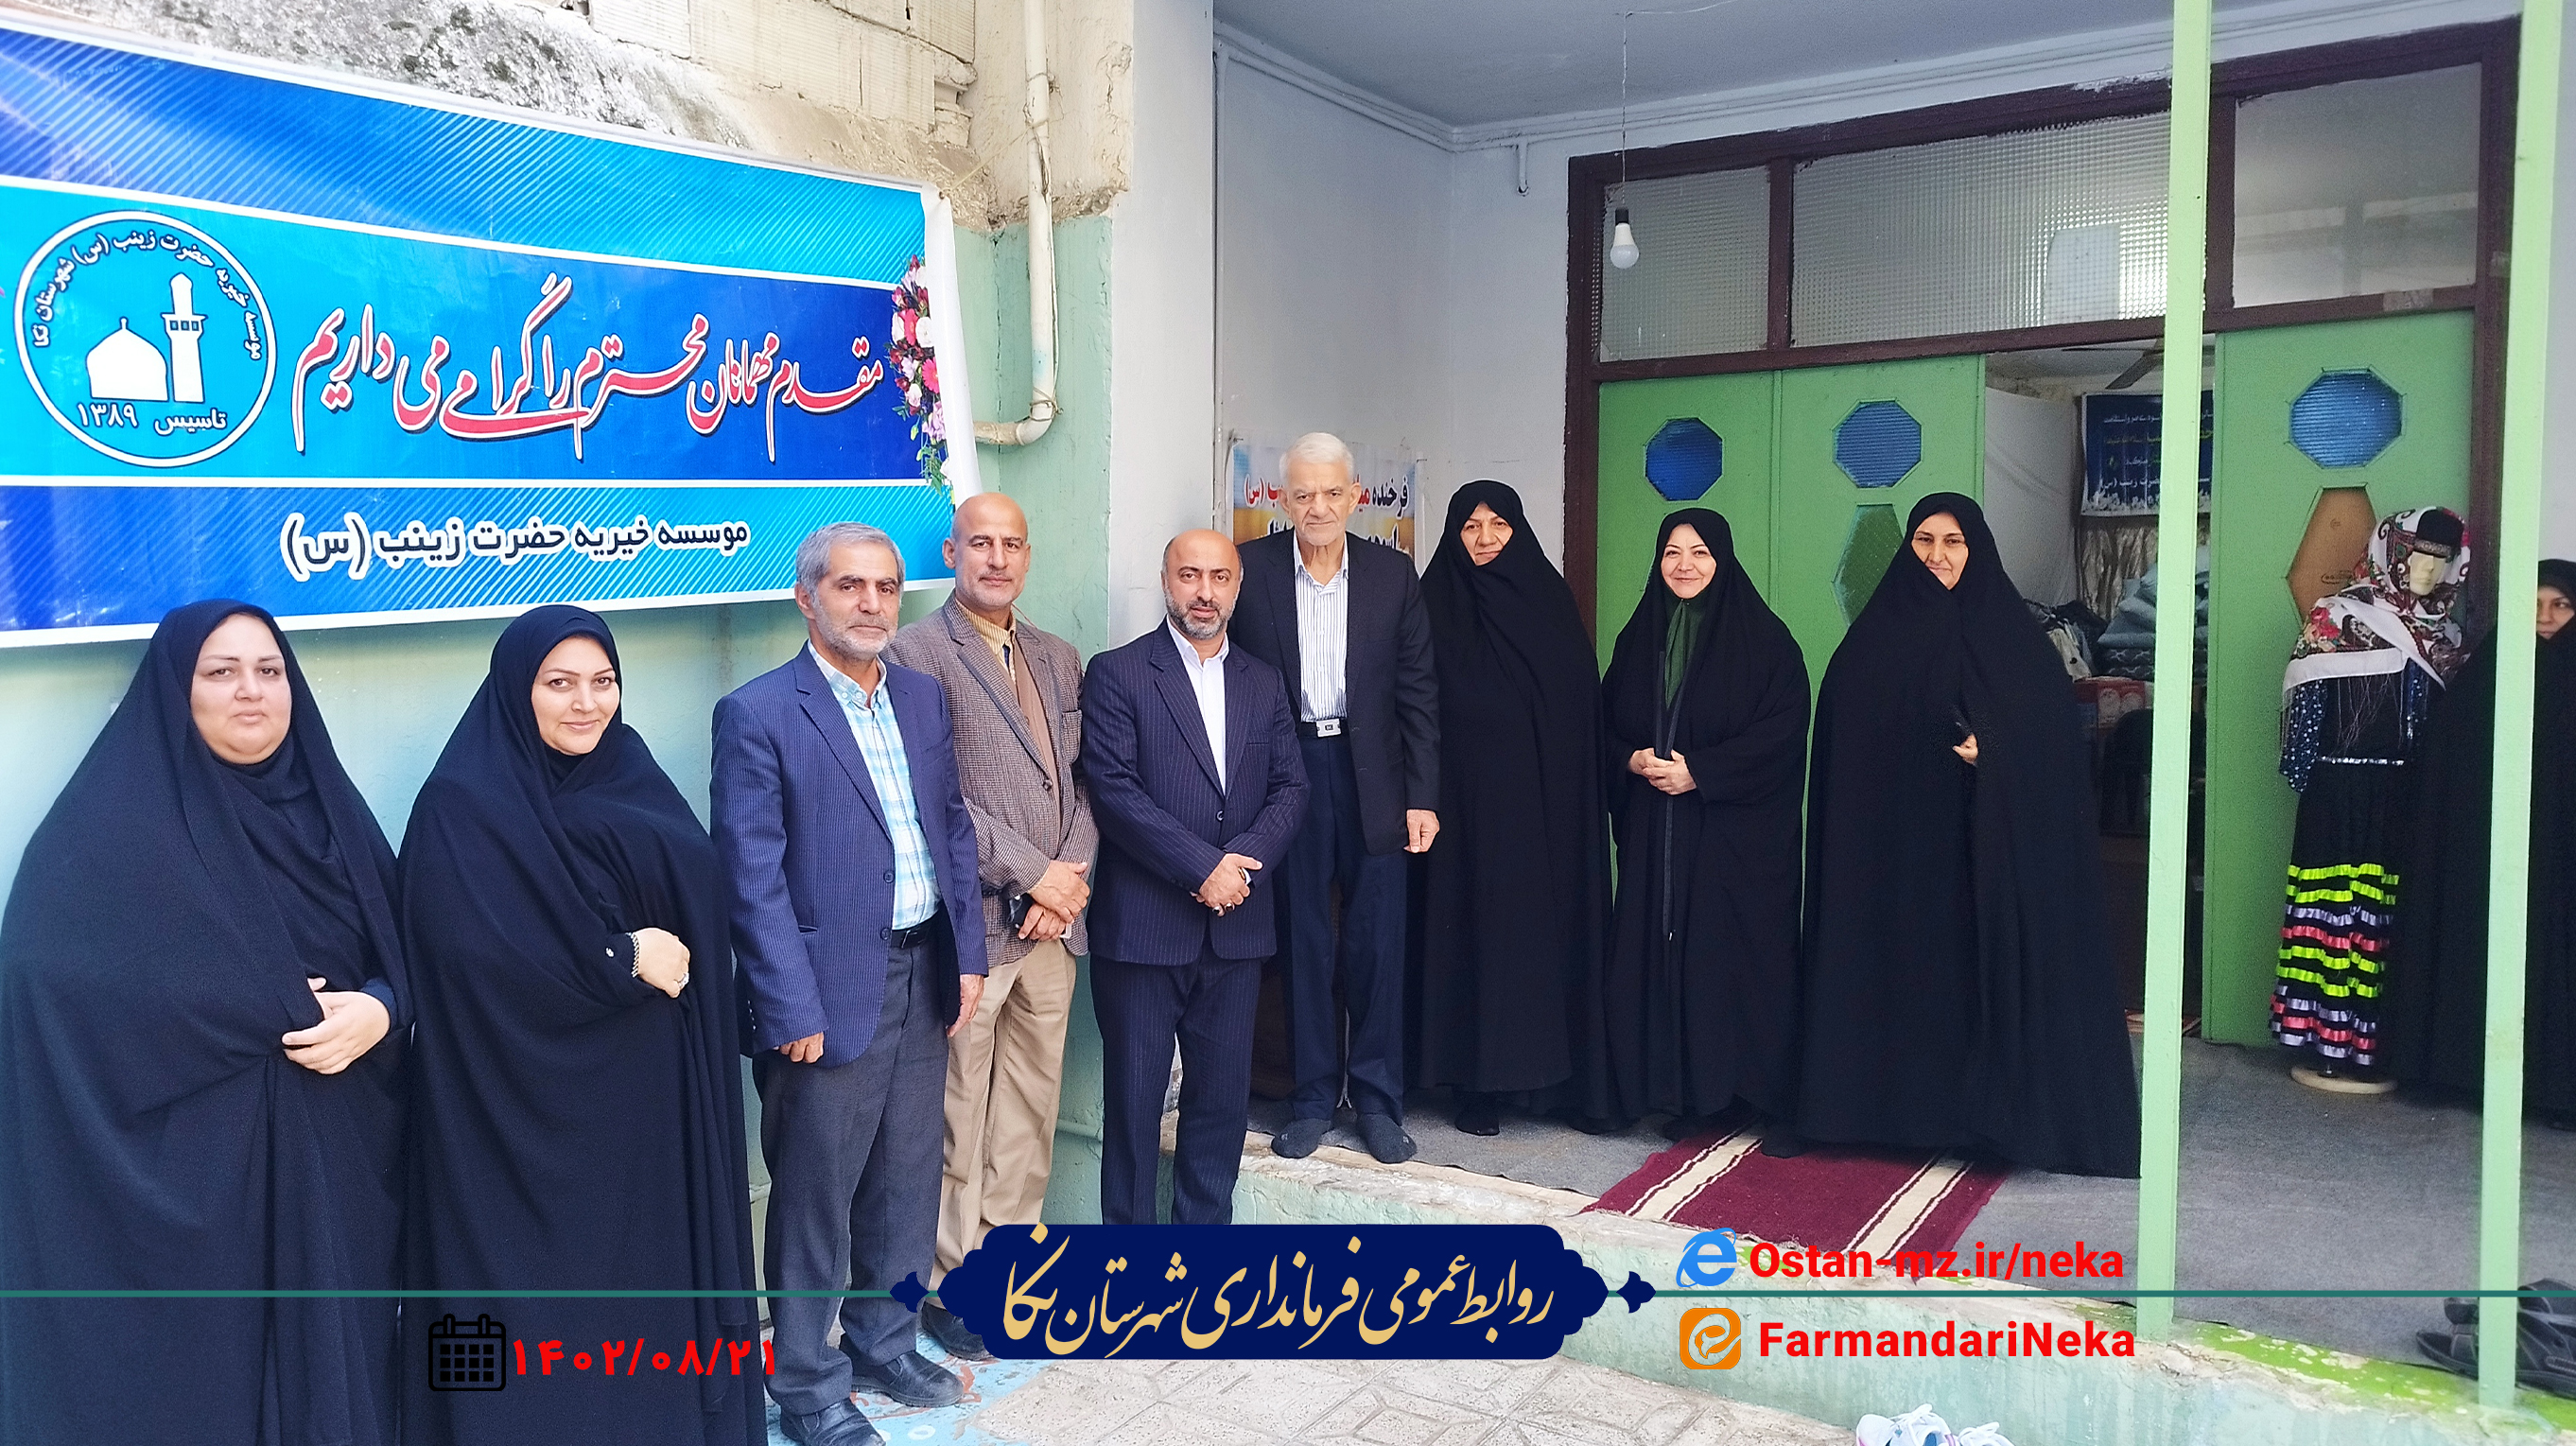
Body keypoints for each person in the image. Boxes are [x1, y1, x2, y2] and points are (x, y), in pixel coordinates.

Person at [0, 601, 405, 1446]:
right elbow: (46, 983)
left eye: (270, 670)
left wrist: (382, 1008)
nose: (251, 690)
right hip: (202, 1190)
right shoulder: (109, 829)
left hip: (338, 1169)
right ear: (176, 690)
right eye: (220, 672)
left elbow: (406, 949)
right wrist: (252, 1004)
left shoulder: (333, 813)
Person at [399, 604, 762, 1446]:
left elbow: (700, 899)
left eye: (603, 681)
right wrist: (618, 955)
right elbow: (463, 954)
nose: (586, 703)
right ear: (515, 690)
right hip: (512, 1121)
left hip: (642, 1123)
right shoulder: (463, 804)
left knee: (638, 1301)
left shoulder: (632, 774)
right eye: (559, 683)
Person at [715, 522, 987, 1446]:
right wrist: (788, 1002)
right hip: (822, 992)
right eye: (849, 586)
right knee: (814, 1197)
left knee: (906, 1177)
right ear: (807, 597)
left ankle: (883, 1340)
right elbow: (750, 875)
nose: (871, 603)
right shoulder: (759, 712)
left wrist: (969, 954)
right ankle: (805, 1384)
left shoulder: (919, 695)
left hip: (921, 969)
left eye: (885, 586)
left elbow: (951, 829)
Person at [1794, 494, 2140, 1177]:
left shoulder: (2015, 641)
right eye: (1924, 540)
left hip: (1984, 852)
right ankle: (1885, 1116)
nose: (1938, 555)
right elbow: (1844, 743)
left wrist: (1999, 751)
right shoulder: (1869, 644)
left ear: (1976, 549)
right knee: (1902, 976)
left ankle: (1982, 1119)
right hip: (1895, 858)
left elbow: (2054, 745)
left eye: (1953, 541)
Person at [884, 493, 1097, 1361]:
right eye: (981, 543)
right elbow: (935, 798)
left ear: (1028, 554)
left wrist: (1067, 880)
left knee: (1029, 1111)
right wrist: (1032, 872)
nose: (998, 558)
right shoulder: (913, 653)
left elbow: (1083, 784)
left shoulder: (1057, 655)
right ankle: (951, 1283)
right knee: (959, 1112)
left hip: (1053, 927)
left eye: (1012, 543)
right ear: (953, 552)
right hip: (974, 928)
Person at [1079, 530, 1308, 1223]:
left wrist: (1238, 869)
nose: (1204, 592)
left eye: (1218, 577)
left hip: (1236, 931)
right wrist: (1202, 868)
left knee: (1220, 1106)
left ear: (1237, 586)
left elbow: (1290, 788)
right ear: (1166, 580)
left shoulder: (1262, 680)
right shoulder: (1118, 672)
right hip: (1144, 932)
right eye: (1189, 575)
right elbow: (1114, 790)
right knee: (1134, 1109)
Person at [1232, 431, 1439, 1164]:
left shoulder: (1392, 574)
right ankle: (1313, 1097)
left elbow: (1418, 692)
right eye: (1303, 494)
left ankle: (1378, 1101)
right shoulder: (1252, 569)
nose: (1317, 506)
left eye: (1330, 492)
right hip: (1288, 772)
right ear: (1282, 499)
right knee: (1304, 939)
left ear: (1355, 496)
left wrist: (1423, 796)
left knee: (1377, 940)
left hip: (1373, 773)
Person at [1598, 510, 1810, 1141]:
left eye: (1699, 552)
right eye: (1672, 552)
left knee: (1722, 959)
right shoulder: (1639, 638)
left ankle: (1728, 1093)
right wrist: (1629, 759)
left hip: (1730, 844)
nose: (1684, 565)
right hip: (1655, 835)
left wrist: (1702, 772)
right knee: (1655, 953)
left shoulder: (1765, 643)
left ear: (1723, 559)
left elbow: (1781, 735)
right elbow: (1602, 725)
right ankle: (1665, 1088)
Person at [1412, 480, 1612, 1135]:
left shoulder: (1550, 604)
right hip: (1461, 817)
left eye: (1498, 524)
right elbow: (1412, 706)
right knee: (1472, 938)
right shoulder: (1431, 606)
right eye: (1470, 526)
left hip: (1543, 815)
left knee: (1539, 941)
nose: (1485, 537)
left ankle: (1554, 1084)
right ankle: (1476, 1083)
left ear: (1518, 530)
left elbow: (1578, 708)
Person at [2271, 506, 2470, 1091]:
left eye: (2441, 560)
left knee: (2393, 918)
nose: (2428, 571)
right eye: (2417, 556)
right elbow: (2304, 721)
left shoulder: (2447, 638)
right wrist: (2318, 785)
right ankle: (2327, 1044)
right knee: (2335, 912)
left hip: (2410, 801)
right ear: (2391, 553)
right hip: (2340, 793)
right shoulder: (2337, 618)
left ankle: (2384, 1047)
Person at [2382, 560, 2576, 1124]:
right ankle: (2459, 1074)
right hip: (2485, 860)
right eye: (2533, 605)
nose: (2545, 618)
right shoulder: (2485, 678)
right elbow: (2448, 772)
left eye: (2560, 605)